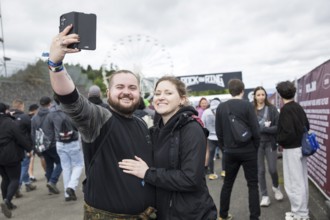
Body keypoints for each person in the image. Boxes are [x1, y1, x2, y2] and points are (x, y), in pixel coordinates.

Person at [47, 25, 155, 219]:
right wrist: (56, 64)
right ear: (108, 93)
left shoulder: (141, 123)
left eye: (132, 87)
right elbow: (71, 100)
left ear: (139, 93)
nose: (126, 92)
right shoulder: (99, 118)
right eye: (120, 86)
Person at [119, 76, 217, 219]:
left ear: (182, 99)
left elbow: (191, 178)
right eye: (157, 93)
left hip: (191, 214)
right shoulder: (156, 131)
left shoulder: (191, 129)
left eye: (168, 93)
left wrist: (147, 173)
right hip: (165, 212)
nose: (161, 97)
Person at [215, 79, 260, 220]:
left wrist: (224, 148)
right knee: (252, 185)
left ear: (230, 91)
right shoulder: (247, 105)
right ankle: (254, 217)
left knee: (227, 184)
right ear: (243, 90)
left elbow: (219, 132)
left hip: (230, 152)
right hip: (248, 151)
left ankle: (222, 214)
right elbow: (256, 130)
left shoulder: (221, 107)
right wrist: (255, 147)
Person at [276, 81, 310, 220]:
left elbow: (287, 133)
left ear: (280, 94)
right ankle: (301, 212)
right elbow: (307, 126)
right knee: (301, 181)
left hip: (291, 149)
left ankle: (300, 214)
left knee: (293, 183)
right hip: (301, 148)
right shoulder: (298, 107)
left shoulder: (286, 109)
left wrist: (279, 139)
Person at [0, 102, 33, 218]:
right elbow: (20, 138)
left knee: (5, 178)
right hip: (11, 154)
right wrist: (29, 149)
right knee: (14, 178)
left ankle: (7, 202)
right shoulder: (9, 122)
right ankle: (7, 200)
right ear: (5, 111)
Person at [49, 95, 84, 201]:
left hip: (59, 143)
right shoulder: (72, 110)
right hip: (73, 142)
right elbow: (79, 125)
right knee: (78, 165)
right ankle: (71, 187)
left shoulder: (51, 112)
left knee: (66, 168)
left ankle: (67, 194)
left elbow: (49, 128)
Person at [252, 86, 284, 207]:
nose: (261, 97)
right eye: (258, 95)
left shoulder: (271, 109)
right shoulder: (250, 109)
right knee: (260, 171)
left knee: (273, 169)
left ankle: (276, 187)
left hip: (270, 143)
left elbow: (278, 127)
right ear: (254, 96)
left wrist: (265, 129)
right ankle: (265, 195)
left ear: (265, 96)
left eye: (263, 94)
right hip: (257, 145)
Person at [31, 96, 62, 195]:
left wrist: (36, 147)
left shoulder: (34, 117)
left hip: (41, 145)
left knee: (49, 166)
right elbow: (56, 129)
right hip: (53, 144)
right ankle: (52, 181)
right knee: (60, 163)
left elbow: (33, 133)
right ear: (50, 103)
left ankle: (50, 188)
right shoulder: (51, 114)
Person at [10, 99, 37, 195]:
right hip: (23, 146)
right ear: (21, 106)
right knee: (25, 165)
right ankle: (18, 186)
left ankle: (28, 183)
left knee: (19, 167)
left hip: (10, 148)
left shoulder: (8, 117)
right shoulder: (25, 117)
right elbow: (31, 133)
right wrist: (31, 147)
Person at [201, 98, 223, 180]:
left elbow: (202, 124)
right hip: (221, 136)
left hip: (210, 137)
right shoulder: (222, 111)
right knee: (224, 153)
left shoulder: (206, 112)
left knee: (210, 155)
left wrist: (205, 135)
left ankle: (212, 173)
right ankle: (224, 171)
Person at [27, 103, 46, 182]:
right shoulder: (36, 118)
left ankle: (31, 175)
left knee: (31, 158)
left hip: (27, 141)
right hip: (36, 140)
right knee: (42, 157)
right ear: (35, 110)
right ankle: (46, 172)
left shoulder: (26, 117)